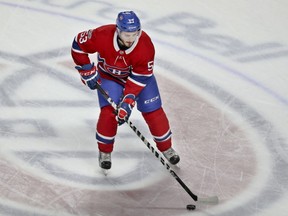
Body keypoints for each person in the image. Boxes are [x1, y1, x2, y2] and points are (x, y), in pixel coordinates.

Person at [71, 11, 180, 171]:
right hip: (110, 78)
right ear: (117, 30)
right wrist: (86, 70)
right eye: (126, 34)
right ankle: (105, 151)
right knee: (109, 112)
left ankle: (166, 147)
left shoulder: (145, 46)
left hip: (139, 80)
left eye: (134, 34)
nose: (130, 39)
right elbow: (78, 45)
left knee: (153, 111)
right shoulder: (102, 35)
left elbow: (141, 77)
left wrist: (127, 102)